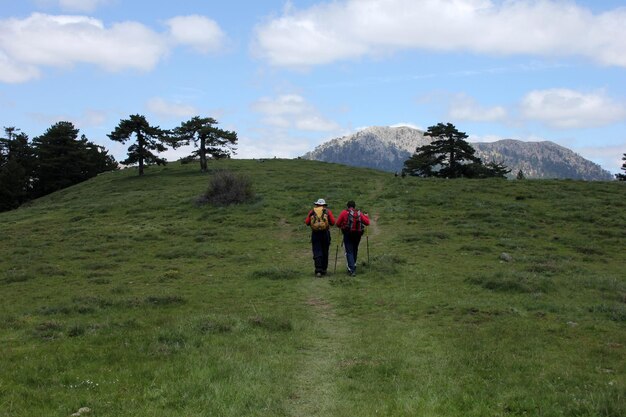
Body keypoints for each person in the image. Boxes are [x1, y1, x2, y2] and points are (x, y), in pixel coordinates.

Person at [336, 200, 370, 276]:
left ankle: (351, 269)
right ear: (354, 206)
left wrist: (342, 225)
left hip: (348, 234)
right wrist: (366, 216)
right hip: (357, 234)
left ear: (347, 206)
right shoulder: (358, 213)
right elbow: (367, 223)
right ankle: (353, 265)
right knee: (355, 249)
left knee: (349, 251)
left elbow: (337, 223)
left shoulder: (344, 213)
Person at [304, 198, 336, 277]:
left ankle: (318, 270)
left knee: (317, 251)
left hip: (315, 234)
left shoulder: (312, 211)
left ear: (317, 204)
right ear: (324, 205)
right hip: (325, 234)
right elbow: (333, 222)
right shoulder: (327, 211)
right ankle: (324, 270)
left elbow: (307, 222)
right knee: (325, 251)